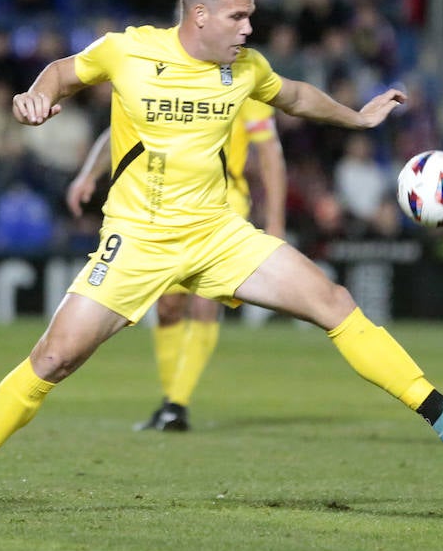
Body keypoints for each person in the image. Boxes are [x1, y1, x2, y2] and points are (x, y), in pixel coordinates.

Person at [0, 0, 443, 519]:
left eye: (250, 16)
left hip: (216, 233)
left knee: (333, 303)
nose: (249, 28)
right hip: (137, 239)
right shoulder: (128, 50)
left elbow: (297, 96)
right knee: (53, 359)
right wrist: (37, 96)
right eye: (238, 17)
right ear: (199, 16)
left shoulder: (246, 68)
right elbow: (62, 71)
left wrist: (358, 118)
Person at [65, 95, 287, 432]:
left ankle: (176, 404)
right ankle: (171, 404)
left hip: (224, 204)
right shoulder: (165, 69)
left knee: (204, 304)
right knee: (168, 307)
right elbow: (122, 127)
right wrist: (88, 174)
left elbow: (270, 152)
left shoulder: (242, 77)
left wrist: (275, 224)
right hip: (168, 203)